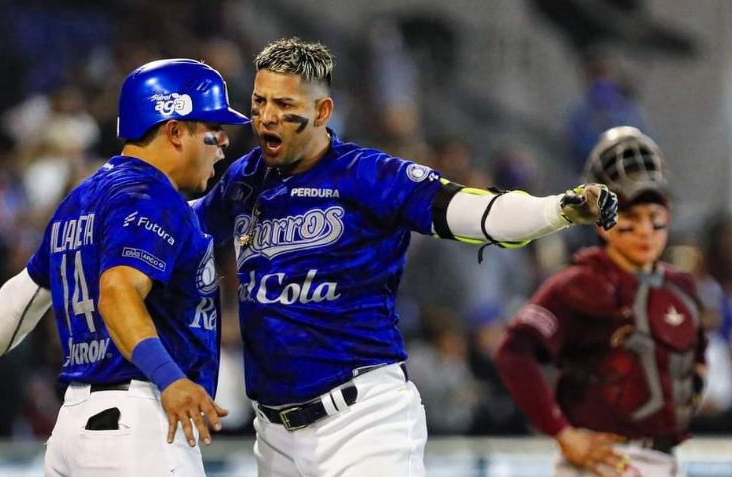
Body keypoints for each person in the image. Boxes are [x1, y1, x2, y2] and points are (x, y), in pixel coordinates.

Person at [192, 37, 618, 476]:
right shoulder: (245, 179)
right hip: (273, 434)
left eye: (283, 104)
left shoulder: (369, 175)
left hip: (360, 423)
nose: (265, 117)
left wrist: (559, 209)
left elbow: (472, 211)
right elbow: (183, 231)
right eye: (259, 101)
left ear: (321, 112)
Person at [0, 58, 249, 475]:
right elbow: (117, 293)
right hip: (140, 423)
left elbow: (25, 293)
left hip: (73, 428)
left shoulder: (81, 198)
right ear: (174, 130)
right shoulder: (151, 197)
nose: (224, 142)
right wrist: (170, 379)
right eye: (214, 129)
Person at [495, 126, 706, 477]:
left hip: (667, 460)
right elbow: (514, 353)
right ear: (602, 222)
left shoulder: (680, 287)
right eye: (629, 217)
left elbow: (695, 358)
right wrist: (562, 433)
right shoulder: (578, 283)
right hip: (602, 461)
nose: (644, 231)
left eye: (653, 217)